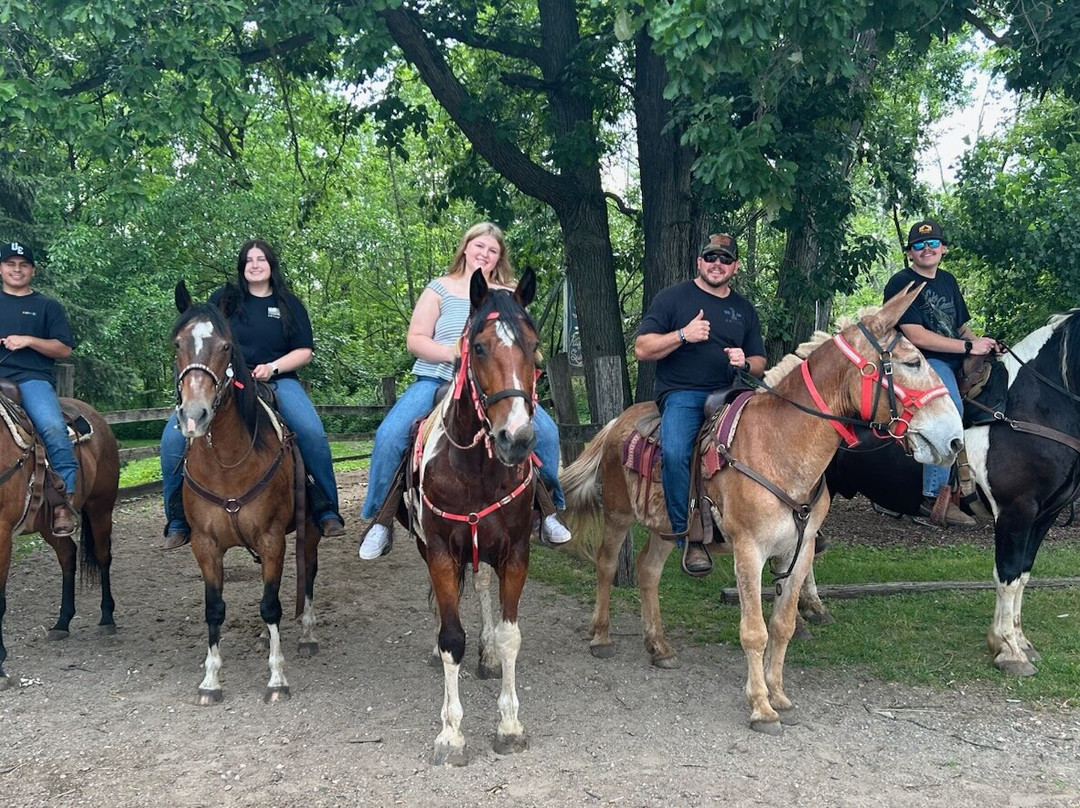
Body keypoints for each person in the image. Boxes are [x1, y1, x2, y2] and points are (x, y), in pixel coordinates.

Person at [357, 222, 572, 560]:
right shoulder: (440, 288)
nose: (484, 254)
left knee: (545, 431)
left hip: (494, 386)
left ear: (500, 257)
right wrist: (453, 353)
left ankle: (548, 510)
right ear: (465, 248)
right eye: (479, 246)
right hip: (435, 381)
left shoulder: (510, 293)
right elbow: (415, 339)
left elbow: (522, 342)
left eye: (492, 250)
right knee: (390, 435)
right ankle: (379, 519)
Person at [160, 239, 345, 548]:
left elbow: (304, 351)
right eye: (249, 260)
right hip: (226, 383)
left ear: (271, 265)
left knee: (311, 432)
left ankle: (325, 508)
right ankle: (178, 517)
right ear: (242, 267)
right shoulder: (225, 299)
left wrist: (272, 367)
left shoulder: (288, 304)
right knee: (172, 438)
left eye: (261, 259)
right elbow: (205, 338)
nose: (255, 264)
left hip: (277, 381)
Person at [634, 233, 766, 577]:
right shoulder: (673, 299)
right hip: (684, 393)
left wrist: (746, 362)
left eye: (725, 259)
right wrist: (683, 335)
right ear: (699, 261)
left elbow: (760, 362)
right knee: (676, 452)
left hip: (733, 392)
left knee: (771, 439)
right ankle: (689, 534)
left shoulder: (744, 309)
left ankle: (781, 518)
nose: (717, 264)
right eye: (710, 257)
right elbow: (642, 349)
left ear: (734, 266)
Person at [883, 218, 998, 527]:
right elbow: (916, 336)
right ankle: (933, 499)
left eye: (933, 243)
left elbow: (960, 327)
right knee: (951, 410)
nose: (927, 249)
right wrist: (966, 349)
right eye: (919, 245)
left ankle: (982, 486)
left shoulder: (947, 280)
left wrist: (980, 343)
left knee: (998, 395)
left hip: (952, 359)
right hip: (919, 363)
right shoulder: (901, 282)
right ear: (910, 253)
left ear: (943, 248)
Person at [0, 241, 78, 537]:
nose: (16, 270)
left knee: (54, 429)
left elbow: (63, 348)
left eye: (23, 265)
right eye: (10, 264)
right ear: (1, 269)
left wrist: (28, 340)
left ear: (32, 270)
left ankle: (63, 501)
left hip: (31, 380)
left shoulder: (47, 306)